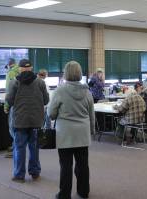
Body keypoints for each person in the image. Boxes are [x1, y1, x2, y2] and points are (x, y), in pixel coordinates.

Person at [48, 61, 95, 199]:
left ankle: (64, 195)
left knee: (66, 166)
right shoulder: (87, 91)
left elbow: (51, 113)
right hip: (83, 134)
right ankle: (83, 191)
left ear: (65, 73)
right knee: (83, 165)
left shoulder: (59, 90)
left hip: (64, 134)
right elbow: (91, 114)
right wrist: (91, 131)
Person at [6, 59, 49, 183]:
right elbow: (46, 100)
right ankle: (35, 172)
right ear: (31, 68)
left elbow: (9, 100)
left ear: (19, 69)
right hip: (36, 121)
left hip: (20, 121)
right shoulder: (40, 83)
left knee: (19, 148)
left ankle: (19, 175)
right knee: (34, 147)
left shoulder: (14, 82)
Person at [4, 58, 20, 158]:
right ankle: (15, 146)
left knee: (12, 127)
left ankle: (15, 149)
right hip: (22, 103)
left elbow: (9, 91)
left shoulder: (11, 73)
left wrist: (6, 105)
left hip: (14, 104)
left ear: (8, 64)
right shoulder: (20, 71)